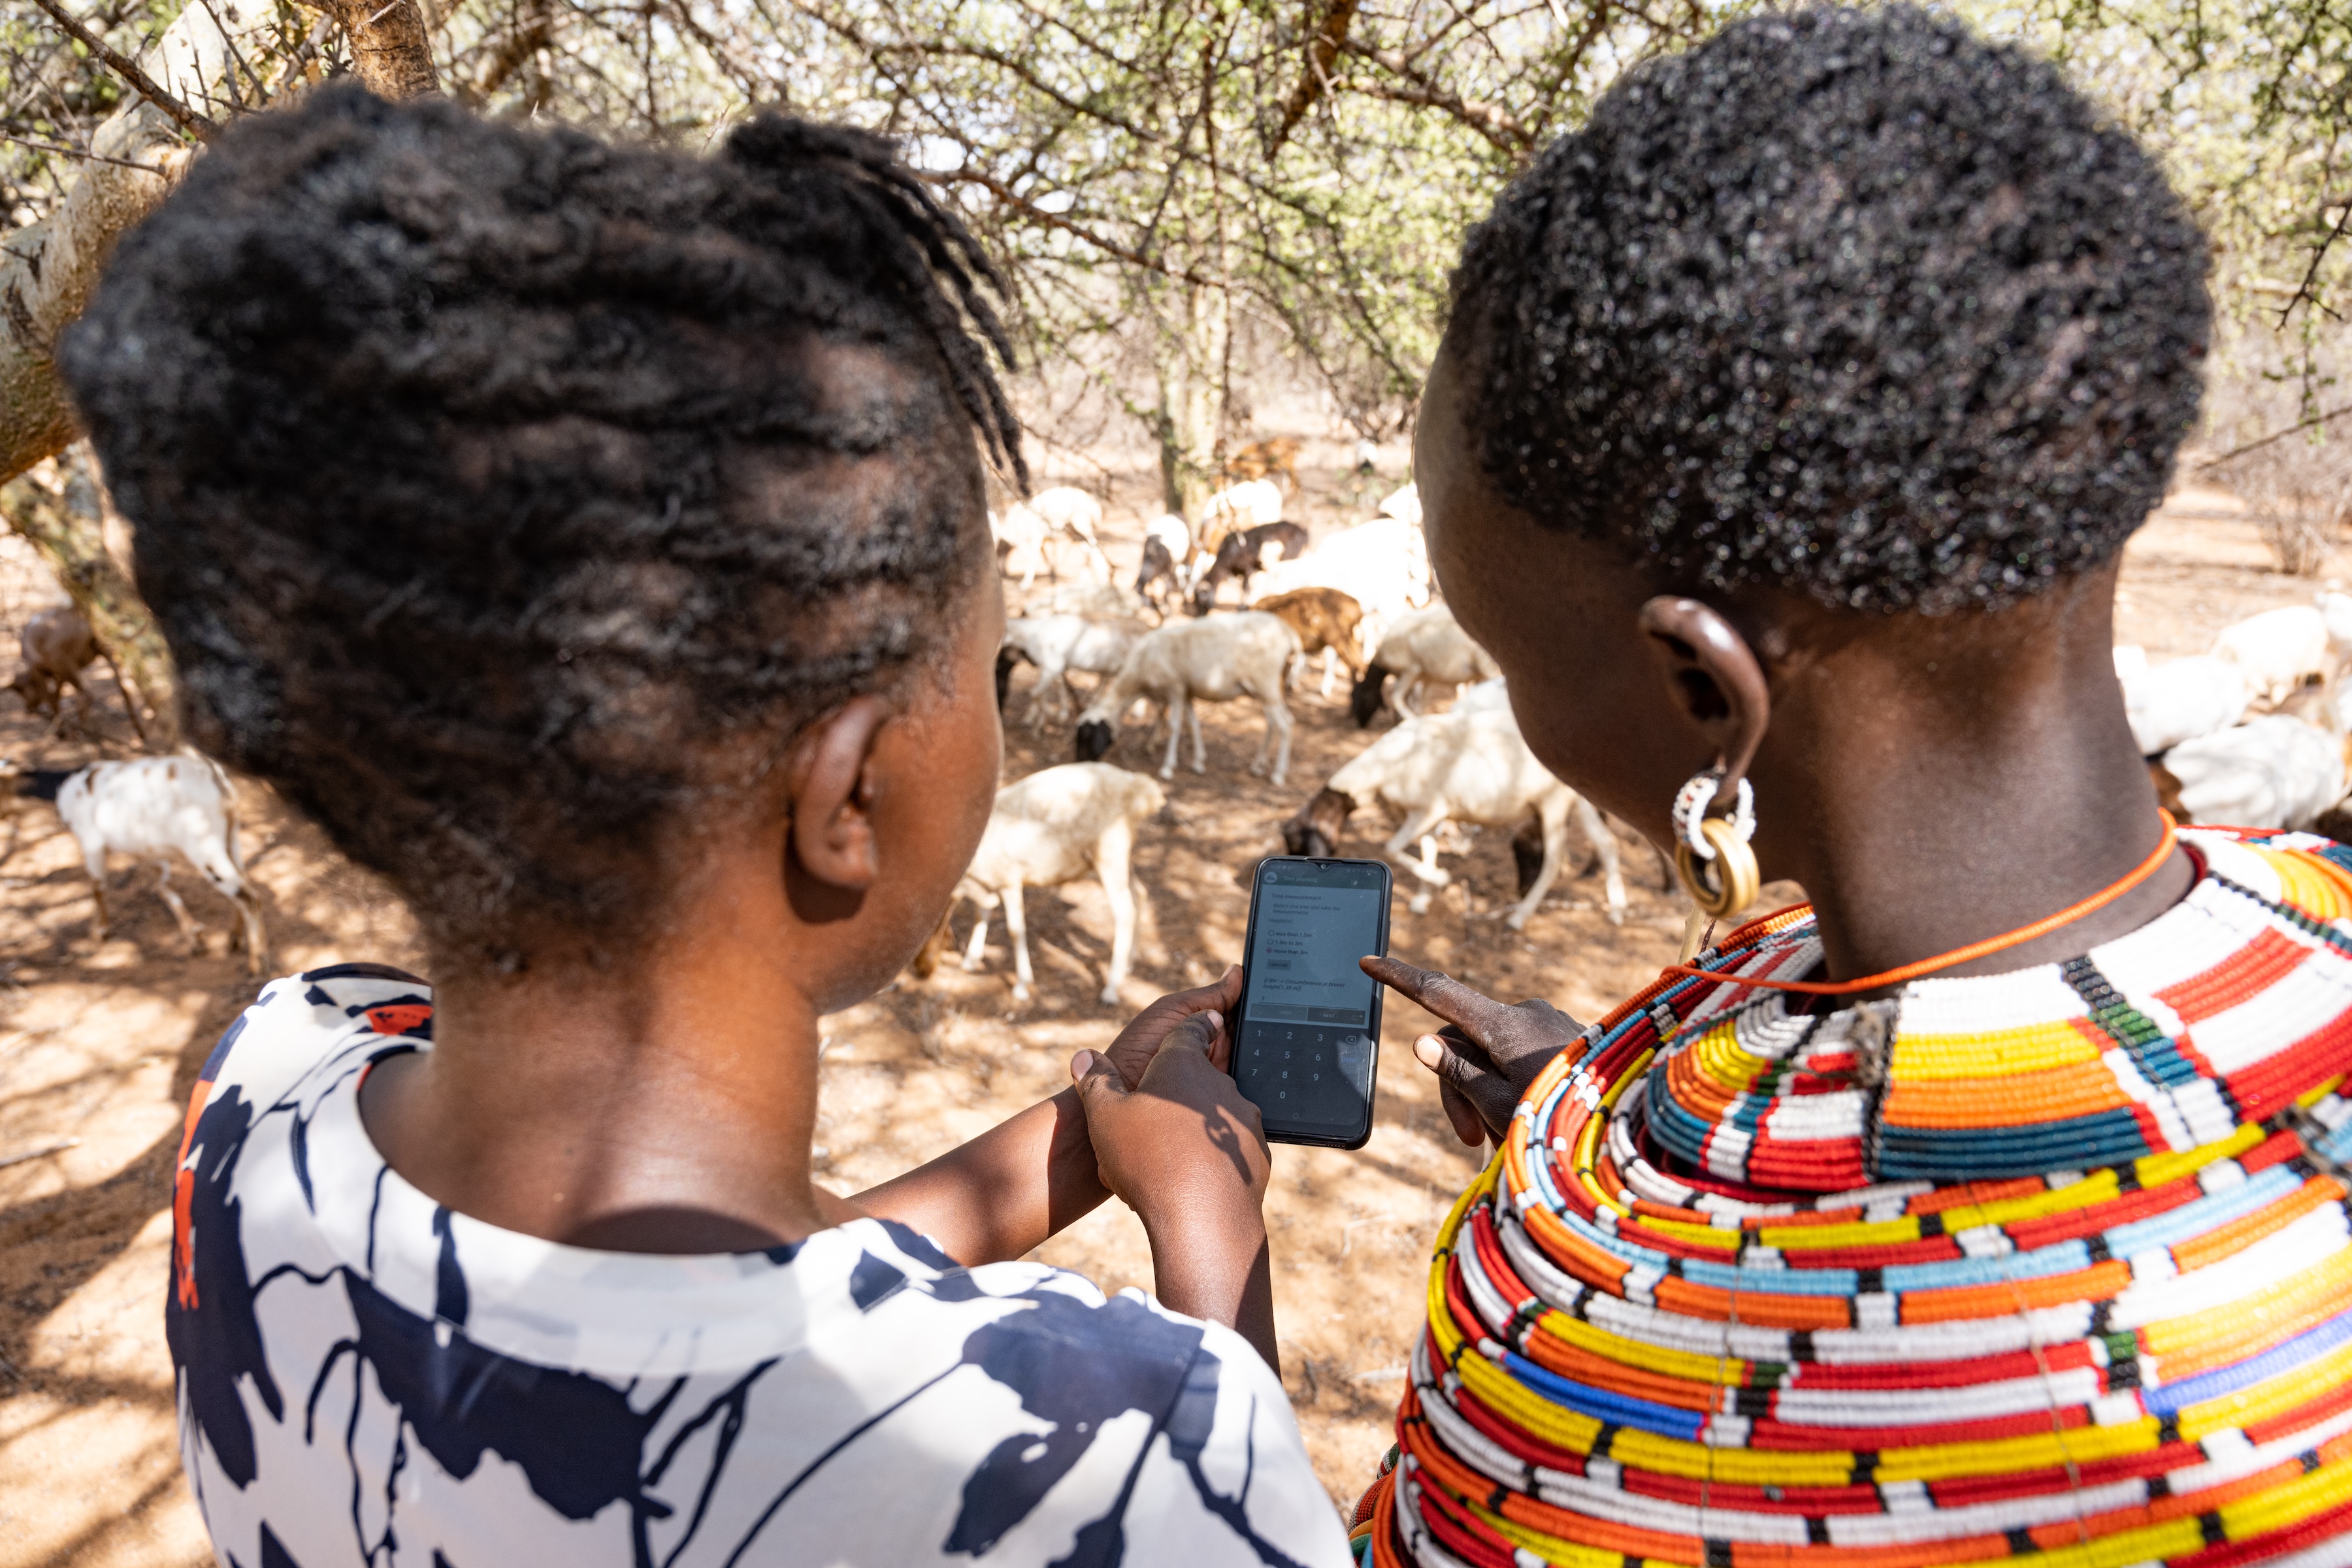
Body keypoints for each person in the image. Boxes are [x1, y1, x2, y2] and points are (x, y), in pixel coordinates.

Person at [61, 88, 1351, 1567]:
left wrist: (1075, 1140)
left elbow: (690, 1320)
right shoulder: (1105, 1466)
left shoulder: (271, 1081)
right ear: (848, 799)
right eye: (990, 675)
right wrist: (1210, 1240)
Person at [1350, 8, 2352, 1566]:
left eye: (1504, 647)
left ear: (1708, 693)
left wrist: (1209, 1290)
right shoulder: (2322, 924)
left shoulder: (1591, 1375)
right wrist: (1596, 1111)